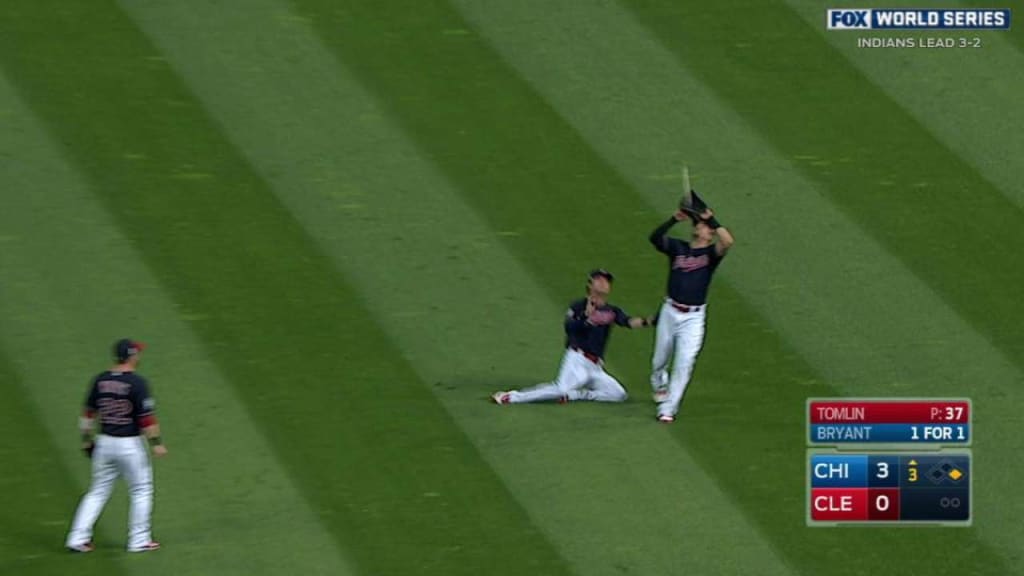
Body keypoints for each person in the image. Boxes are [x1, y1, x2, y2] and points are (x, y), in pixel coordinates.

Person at [493, 269, 653, 405]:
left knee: (618, 395)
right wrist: (586, 318)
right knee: (560, 388)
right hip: (577, 359)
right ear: (590, 284)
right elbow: (570, 328)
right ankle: (512, 396)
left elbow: (629, 322)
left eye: (607, 281)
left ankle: (576, 394)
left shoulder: (612, 311)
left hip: (596, 367)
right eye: (599, 279)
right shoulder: (578, 306)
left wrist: (649, 321)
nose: (604, 283)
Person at [65, 339, 167, 553]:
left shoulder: (100, 380)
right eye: (137, 353)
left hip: (104, 443)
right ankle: (139, 540)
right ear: (131, 356)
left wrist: (86, 440)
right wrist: (156, 444)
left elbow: (88, 413)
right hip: (129, 445)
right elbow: (147, 420)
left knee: (97, 492)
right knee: (141, 490)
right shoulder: (138, 383)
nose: (139, 356)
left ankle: (77, 538)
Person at [648, 208, 734, 422]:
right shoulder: (678, 248)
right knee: (660, 359)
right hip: (670, 311)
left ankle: (668, 409)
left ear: (710, 234)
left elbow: (728, 242)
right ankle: (659, 381)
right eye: (698, 223)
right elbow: (655, 238)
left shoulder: (710, 255)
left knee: (684, 363)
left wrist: (712, 219)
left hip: (693, 318)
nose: (699, 226)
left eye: (703, 226)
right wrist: (673, 219)